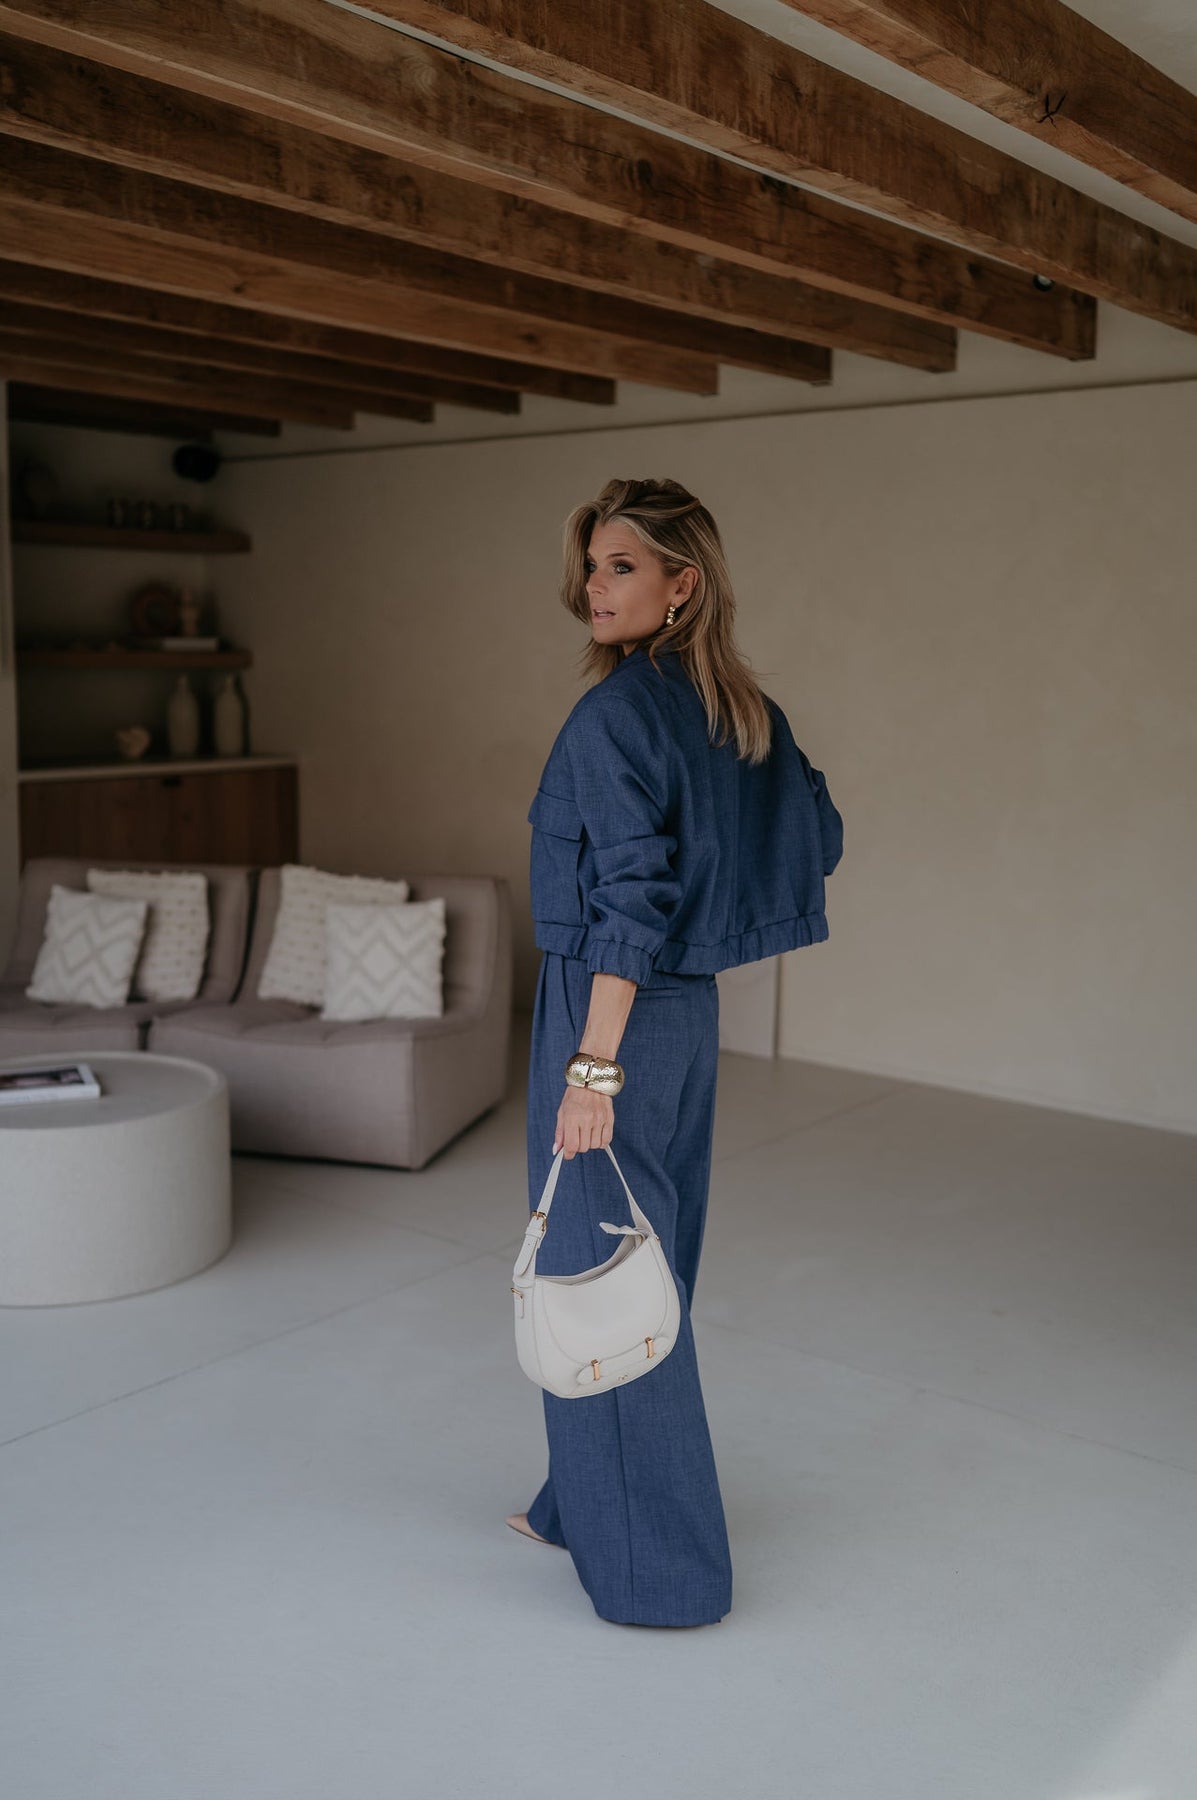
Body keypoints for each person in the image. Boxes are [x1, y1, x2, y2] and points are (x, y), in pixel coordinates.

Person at [508, 476, 844, 1627]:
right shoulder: (744, 712)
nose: (594, 587)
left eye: (622, 566)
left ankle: (663, 1575)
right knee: (642, 1265)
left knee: (593, 1267)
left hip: (605, 1008)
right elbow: (817, 836)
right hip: (686, 1015)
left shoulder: (615, 716)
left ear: (682, 583)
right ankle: (576, 1503)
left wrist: (591, 1068)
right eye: (592, 566)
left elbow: (628, 900)